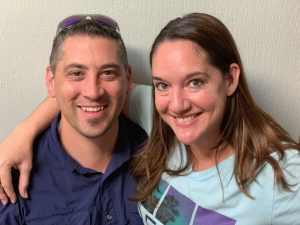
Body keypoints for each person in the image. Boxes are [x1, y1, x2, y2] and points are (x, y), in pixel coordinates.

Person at [1, 13, 300, 225]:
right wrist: (22, 132)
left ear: (230, 79)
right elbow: (90, 98)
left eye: (195, 81)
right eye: (162, 85)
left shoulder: (283, 173)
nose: (178, 105)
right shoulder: (159, 116)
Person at [0, 14, 147, 225]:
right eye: (76, 73)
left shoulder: (161, 153)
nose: (93, 92)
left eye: (107, 73)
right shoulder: (13, 179)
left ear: (128, 79)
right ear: (51, 81)